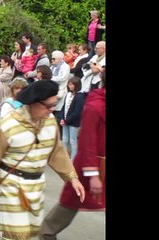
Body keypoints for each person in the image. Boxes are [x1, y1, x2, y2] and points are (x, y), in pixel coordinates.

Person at [0, 80, 85, 240]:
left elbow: (57, 151)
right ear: (34, 103)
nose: (52, 109)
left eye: (54, 104)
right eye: (48, 106)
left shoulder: (50, 122)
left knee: (30, 232)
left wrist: (72, 178)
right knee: (15, 235)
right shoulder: (8, 124)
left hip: (36, 186)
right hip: (12, 187)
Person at [39, 71, 105, 240]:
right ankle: (47, 231)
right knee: (73, 199)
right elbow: (87, 142)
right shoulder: (95, 107)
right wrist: (94, 175)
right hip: (92, 166)